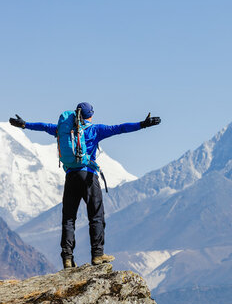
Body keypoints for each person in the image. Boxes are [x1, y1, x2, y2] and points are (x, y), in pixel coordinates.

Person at [9, 102, 161, 268]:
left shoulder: (63, 129)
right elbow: (120, 128)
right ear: (91, 115)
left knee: (68, 218)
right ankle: (97, 255)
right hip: (88, 175)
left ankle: (67, 258)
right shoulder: (95, 130)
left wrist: (24, 125)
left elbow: (43, 126)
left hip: (71, 175)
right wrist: (142, 124)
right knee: (96, 215)